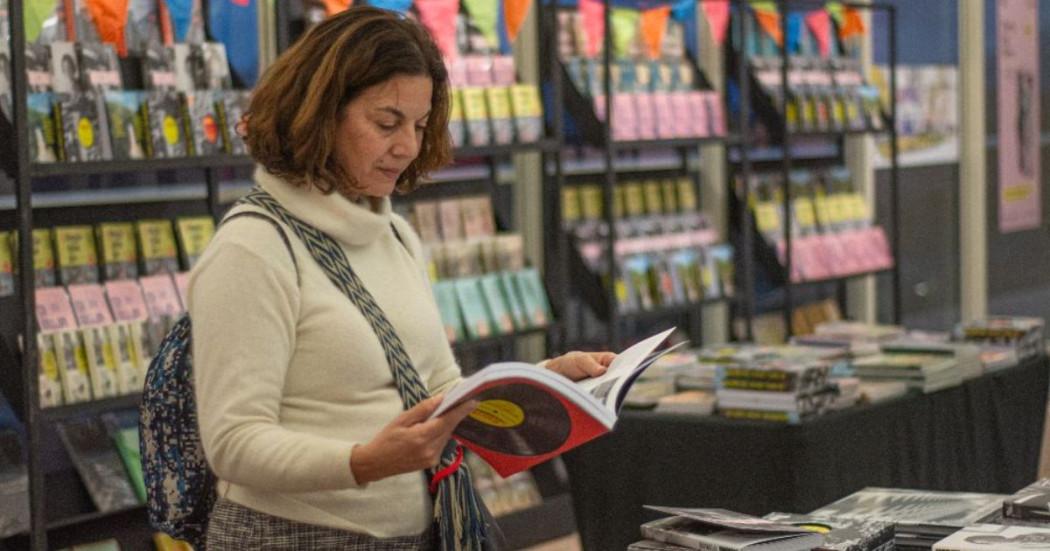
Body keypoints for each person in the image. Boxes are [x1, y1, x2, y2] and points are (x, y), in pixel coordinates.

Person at [188, 6, 615, 550]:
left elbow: (436, 393)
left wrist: (544, 383)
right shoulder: (254, 249)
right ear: (319, 113)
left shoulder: (392, 234)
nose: (409, 147)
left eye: (419, 125)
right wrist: (365, 462)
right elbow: (232, 443)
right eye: (386, 123)